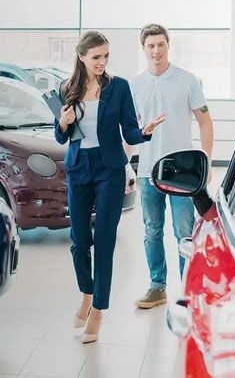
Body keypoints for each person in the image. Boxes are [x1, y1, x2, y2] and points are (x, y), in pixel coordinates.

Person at [54, 31, 164, 343]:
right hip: (78, 167)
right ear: (82, 57)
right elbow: (62, 137)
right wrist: (62, 124)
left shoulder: (119, 87)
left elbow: (129, 132)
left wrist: (145, 131)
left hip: (110, 169)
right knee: (78, 240)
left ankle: (99, 309)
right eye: (96, 57)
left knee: (103, 240)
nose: (102, 62)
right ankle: (87, 293)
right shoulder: (67, 88)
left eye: (106, 57)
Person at [130, 24, 215, 309]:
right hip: (147, 171)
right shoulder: (135, 85)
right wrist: (124, 166)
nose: (156, 50)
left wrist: (207, 160)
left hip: (182, 172)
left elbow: (205, 121)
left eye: (160, 45)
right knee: (152, 230)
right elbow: (129, 131)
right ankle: (157, 287)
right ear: (144, 49)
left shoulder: (187, 80)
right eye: (151, 46)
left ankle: (188, 291)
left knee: (184, 233)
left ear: (168, 46)